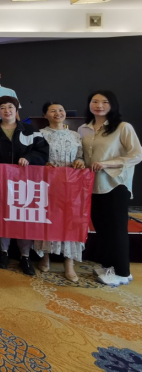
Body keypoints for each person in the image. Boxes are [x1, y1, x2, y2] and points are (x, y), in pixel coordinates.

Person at [79, 91, 142, 286]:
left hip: (115, 184)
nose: (99, 105)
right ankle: (109, 267)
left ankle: (122, 272)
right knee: (102, 229)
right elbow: (81, 154)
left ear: (112, 105)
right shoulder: (83, 128)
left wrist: (107, 163)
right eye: (95, 101)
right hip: (93, 186)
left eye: (105, 102)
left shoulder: (123, 127)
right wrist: (79, 161)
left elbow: (137, 155)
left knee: (117, 230)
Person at [0, 96, 49, 276]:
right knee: (2, 216)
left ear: (16, 109)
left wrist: (29, 158)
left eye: (10, 107)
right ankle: (3, 252)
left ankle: (25, 256)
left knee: (24, 217)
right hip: (0, 182)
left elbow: (43, 152)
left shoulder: (30, 130)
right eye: (3, 108)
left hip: (26, 182)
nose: (7, 110)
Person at [34, 102, 86, 282]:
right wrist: (44, 164)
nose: (58, 113)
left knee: (71, 221)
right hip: (49, 183)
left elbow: (81, 156)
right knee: (48, 218)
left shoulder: (76, 135)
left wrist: (80, 161)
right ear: (45, 115)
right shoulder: (40, 134)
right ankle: (45, 256)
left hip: (72, 184)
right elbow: (37, 157)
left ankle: (69, 262)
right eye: (53, 111)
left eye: (61, 110)